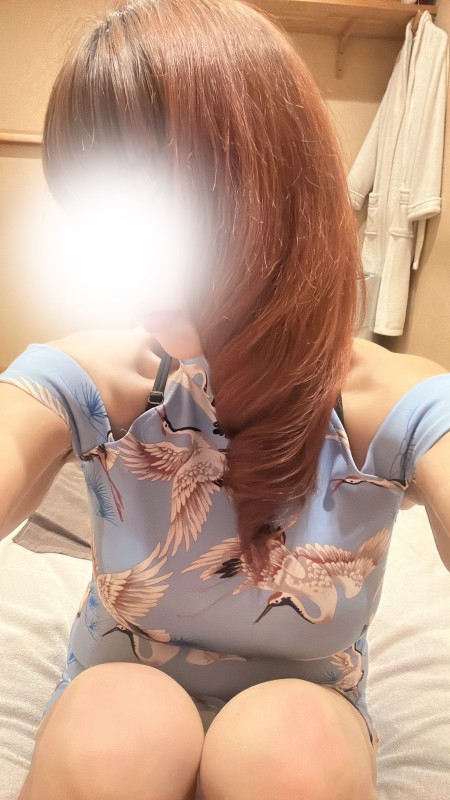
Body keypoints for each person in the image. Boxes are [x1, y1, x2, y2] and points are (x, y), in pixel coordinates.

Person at [1, 1, 449, 798]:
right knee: (117, 720)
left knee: (291, 743)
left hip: (305, 717)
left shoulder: (389, 405)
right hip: (116, 697)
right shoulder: (91, 382)